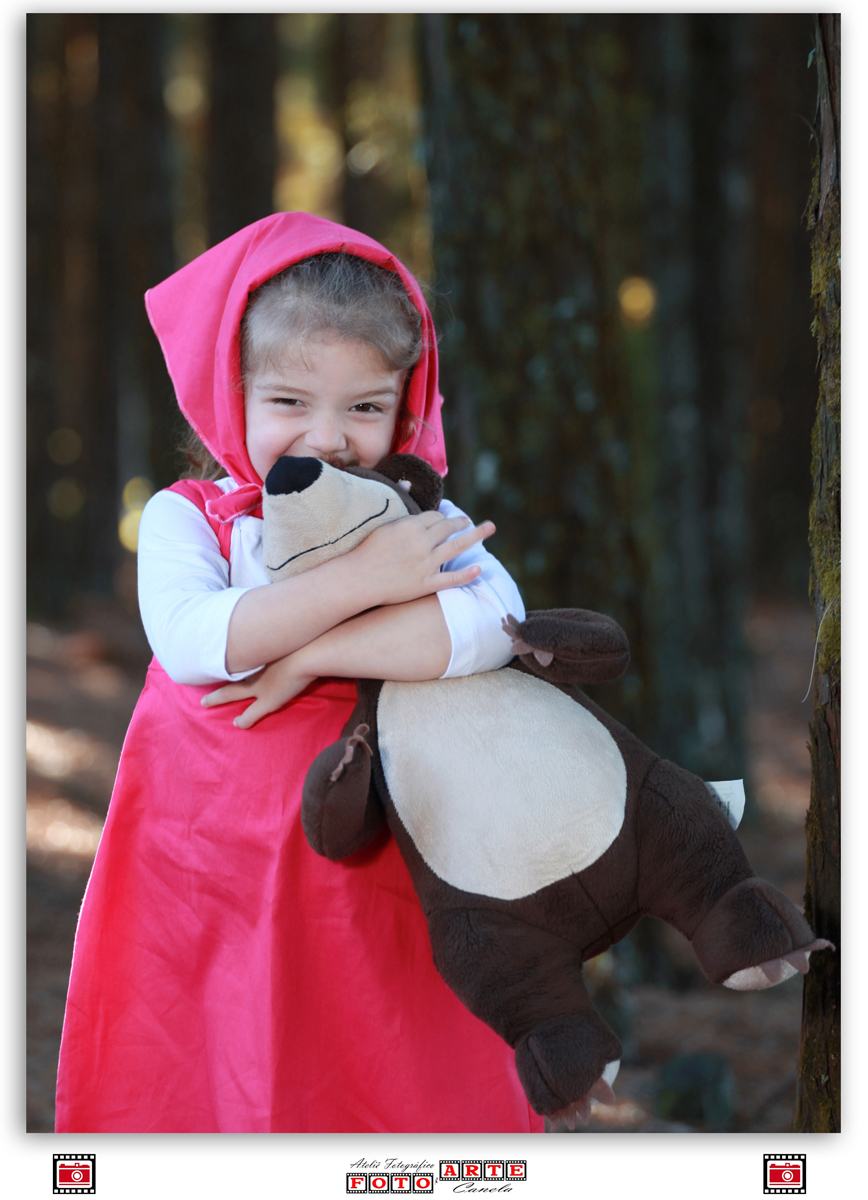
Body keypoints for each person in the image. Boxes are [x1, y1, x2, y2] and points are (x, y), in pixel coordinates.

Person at [55, 212, 544, 1134]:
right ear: (230, 391)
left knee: (381, 1069)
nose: (329, 437)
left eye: (365, 406)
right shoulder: (190, 519)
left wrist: (309, 655)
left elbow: (496, 626)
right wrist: (367, 585)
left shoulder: (418, 516)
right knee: (217, 1065)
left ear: (407, 404)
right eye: (289, 401)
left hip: (383, 871)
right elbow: (196, 640)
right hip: (208, 866)